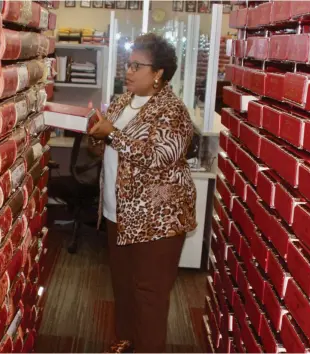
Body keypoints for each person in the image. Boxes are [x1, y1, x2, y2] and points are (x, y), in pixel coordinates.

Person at [89, 33, 197, 353]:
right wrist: (96, 136)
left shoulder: (172, 111)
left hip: (156, 217)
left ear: (159, 73)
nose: (129, 70)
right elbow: (107, 147)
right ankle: (125, 340)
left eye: (137, 65)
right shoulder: (123, 100)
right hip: (117, 212)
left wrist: (114, 135)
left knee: (149, 294)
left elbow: (159, 158)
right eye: (128, 63)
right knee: (123, 286)